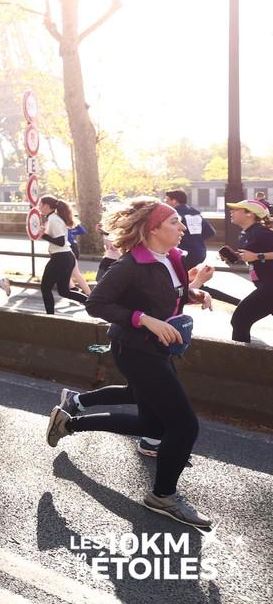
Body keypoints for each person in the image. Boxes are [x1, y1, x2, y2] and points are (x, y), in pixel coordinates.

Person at [46, 196, 213, 528]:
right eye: (173, 223)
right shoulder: (130, 266)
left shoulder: (171, 258)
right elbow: (96, 304)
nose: (181, 228)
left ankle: (69, 422)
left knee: (153, 425)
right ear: (152, 229)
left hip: (157, 351)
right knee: (183, 425)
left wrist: (194, 292)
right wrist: (144, 319)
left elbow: (168, 295)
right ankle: (163, 496)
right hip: (135, 350)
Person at [224, 198, 273, 343]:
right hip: (263, 284)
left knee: (240, 320)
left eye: (236, 209)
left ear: (249, 214)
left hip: (270, 287)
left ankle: (240, 360)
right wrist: (236, 257)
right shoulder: (247, 234)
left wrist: (258, 256)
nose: (231, 212)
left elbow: (257, 256)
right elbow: (252, 258)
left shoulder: (262, 233)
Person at [38, 195, 88, 314]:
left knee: (45, 288)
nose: (38, 207)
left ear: (46, 206)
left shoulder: (53, 219)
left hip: (61, 257)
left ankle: (50, 316)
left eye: (40, 204)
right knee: (64, 291)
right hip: (64, 257)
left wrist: (43, 235)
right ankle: (91, 303)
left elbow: (60, 242)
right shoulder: (53, 218)